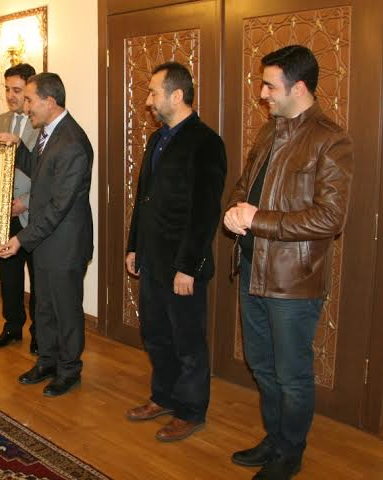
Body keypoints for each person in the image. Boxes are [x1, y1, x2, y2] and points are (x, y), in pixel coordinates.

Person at [224, 45, 353, 479]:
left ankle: (290, 453)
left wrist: (258, 219)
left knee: (291, 375)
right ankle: (276, 438)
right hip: (251, 271)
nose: (262, 94)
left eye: (269, 86)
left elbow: (331, 218)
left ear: (298, 88)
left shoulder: (331, 140)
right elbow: (245, 186)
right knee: (262, 366)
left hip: (293, 283)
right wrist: (235, 210)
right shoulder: (269, 131)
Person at [125, 62, 226, 442]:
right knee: (156, 334)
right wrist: (134, 246)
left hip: (183, 264)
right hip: (152, 259)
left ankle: (191, 410)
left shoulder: (206, 142)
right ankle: (163, 396)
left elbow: (205, 212)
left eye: (153, 92)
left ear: (177, 95)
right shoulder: (157, 139)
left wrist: (188, 267)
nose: (148, 101)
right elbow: (144, 199)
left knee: (187, 342)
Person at [0, 72, 93, 397]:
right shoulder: (49, 133)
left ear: (49, 101)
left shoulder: (73, 143)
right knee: (45, 307)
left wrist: (21, 239)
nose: (25, 106)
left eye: (30, 99)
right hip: (47, 241)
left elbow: (58, 206)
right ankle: (47, 362)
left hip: (65, 244)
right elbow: (39, 171)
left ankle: (69, 370)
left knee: (66, 311)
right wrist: (16, 145)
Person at [0, 63, 40, 354]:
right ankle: (11, 327)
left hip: (32, 213)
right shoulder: (1, 120)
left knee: (38, 278)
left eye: (17, 90)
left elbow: (47, 173)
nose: (10, 95)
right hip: (5, 213)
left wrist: (25, 203)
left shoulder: (42, 123)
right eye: (7, 89)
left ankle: (39, 333)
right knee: (9, 275)